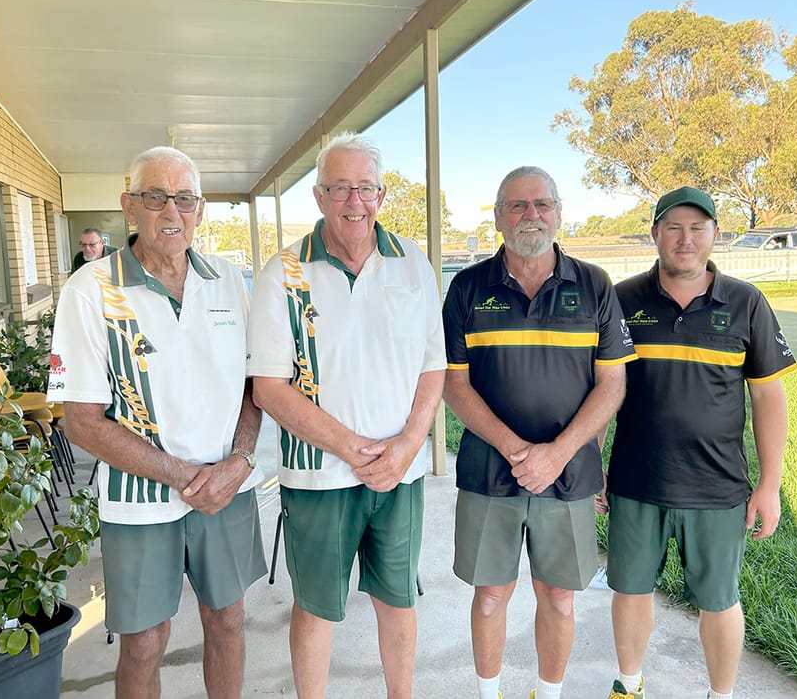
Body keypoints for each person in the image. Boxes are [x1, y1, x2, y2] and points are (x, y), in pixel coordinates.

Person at [49, 146, 267, 699]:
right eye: (155, 197)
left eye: (186, 199)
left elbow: (254, 387)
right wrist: (182, 476)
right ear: (130, 206)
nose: (172, 211)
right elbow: (81, 421)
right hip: (138, 499)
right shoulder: (90, 289)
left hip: (226, 488)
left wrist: (239, 461)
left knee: (229, 618)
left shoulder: (230, 281)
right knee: (145, 640)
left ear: (200, 210)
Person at [247, 132, 446, 699]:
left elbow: (434, 368)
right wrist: (348, 446)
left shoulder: (413, 263)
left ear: (381, 195)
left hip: (398, 474)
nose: (353, 201)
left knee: (397, 599)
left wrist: (409, 445)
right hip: (317, 475)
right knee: (316, 610)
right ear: (318, 196)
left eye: (364, 188)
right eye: (339, 188)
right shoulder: (281, 273)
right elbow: (269, 388)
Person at [443, 166, 636, 699]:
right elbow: (453, 386)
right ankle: (491, 694)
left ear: (558, 212)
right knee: (489, 596)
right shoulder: (466, 287)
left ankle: (546, 695)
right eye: (518, 205)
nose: (532, 215)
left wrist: (557, 453)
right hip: (488, 474)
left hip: (569, 476)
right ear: (499, 216)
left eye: (542, 204)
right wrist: (515, 449)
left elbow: (612, 384)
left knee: (559, 597)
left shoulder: (594, 284)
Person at [605, 187, 797, 699]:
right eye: (673, 228)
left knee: (719, 599)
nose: (685, 240)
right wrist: (591, 461)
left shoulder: (746, 302)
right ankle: (628, 685)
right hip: (636, 481)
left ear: (715, 234)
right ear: (655, 235)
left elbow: (768, 397)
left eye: (697, 228)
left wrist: (770, 485)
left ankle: (721, 694)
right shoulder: (622, 300)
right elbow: (601, 387)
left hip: (718, 487)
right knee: (629, 590)